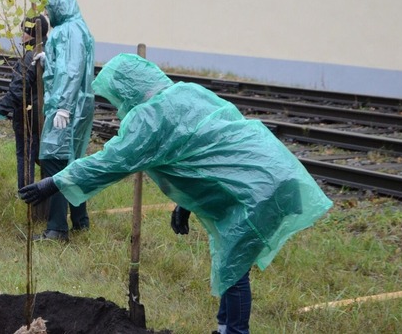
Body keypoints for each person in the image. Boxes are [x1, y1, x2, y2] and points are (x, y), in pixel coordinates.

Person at [18, 53, 334, 333]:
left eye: (117, 98)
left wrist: (54, 182)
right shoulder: (187, 92)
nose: (118, 108)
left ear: (128, 89)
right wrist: (186, 204)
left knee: (233, 266)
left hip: (255, 190)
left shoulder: (150, 118)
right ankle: (225, 327)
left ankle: (235, 331)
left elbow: (111, 161)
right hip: (273, 172)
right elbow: (205, 151)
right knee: (231, 259)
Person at [32, 0, 96, 242]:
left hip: (67, 106)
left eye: (49, 7)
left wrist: (64, 108)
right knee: (71, 161)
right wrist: (49, 59)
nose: (47, 13)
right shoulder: (75, 27)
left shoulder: (69, 31)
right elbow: (67, 65)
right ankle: (80, 220)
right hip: (75, 104)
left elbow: (71, 71)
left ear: (60, 4)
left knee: (54, 161)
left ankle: (57, 228)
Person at [0, 15, 49, 190]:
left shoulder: (30, 56)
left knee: (26, 157)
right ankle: (48, 193)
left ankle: (28, 194)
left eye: (24, 32)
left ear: (31, 33)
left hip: (29, 117)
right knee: (44, 158)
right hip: (45, 116)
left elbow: (18, 90)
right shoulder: (50, 51)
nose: (21, 36)